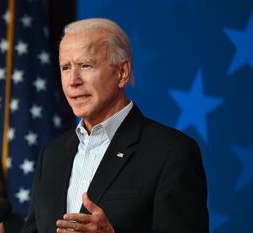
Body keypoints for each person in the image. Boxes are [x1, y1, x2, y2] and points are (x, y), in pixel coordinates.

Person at [19, 18, 209, 233]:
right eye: (65, 67)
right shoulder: (52, 154)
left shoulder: (171, 152)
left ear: (122, 73)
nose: (73, 80)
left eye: (86, 65)